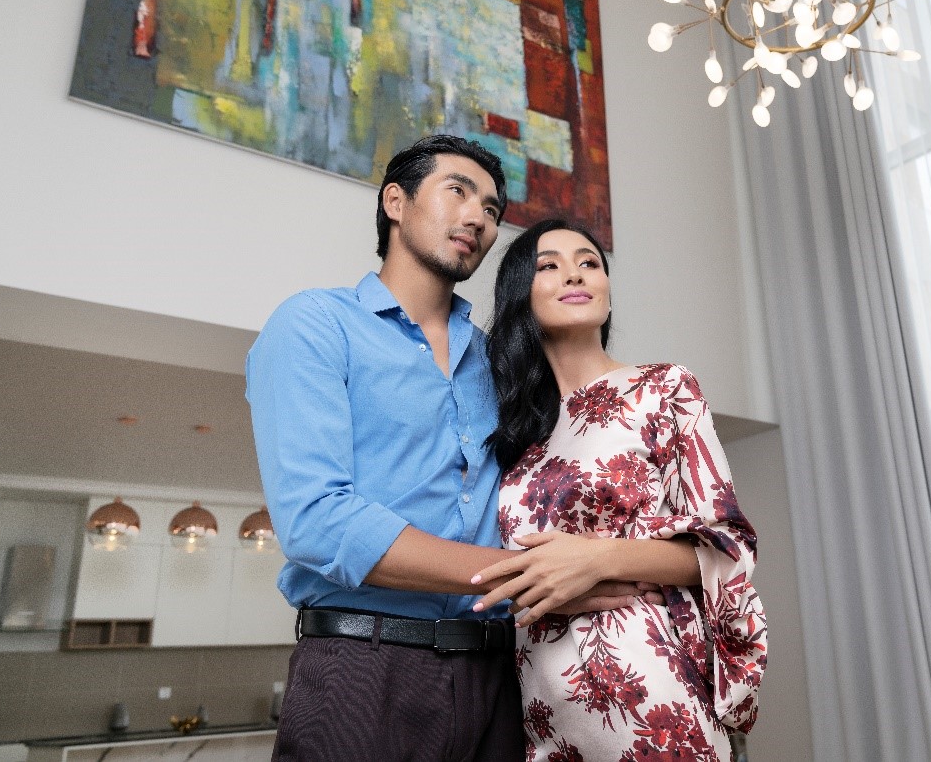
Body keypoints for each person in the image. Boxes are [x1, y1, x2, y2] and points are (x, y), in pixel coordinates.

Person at [246, 137, 639, 762]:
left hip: (502, 675)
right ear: (395, 202)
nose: (478, 217)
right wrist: (526, 575)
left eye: (492, 208)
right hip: (364, 665)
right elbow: (317, 521)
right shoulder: (315, 324)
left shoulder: (498, 361)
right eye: (457, 191)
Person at [470, 219, 768, 762]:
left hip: (652, 692)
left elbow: (728, 548)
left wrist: (598, 559)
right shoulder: (516, 434)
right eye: (549, 266)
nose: (574, 274)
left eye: (589, 262)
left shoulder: (664, 388)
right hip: (544, 709)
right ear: (519, 295)